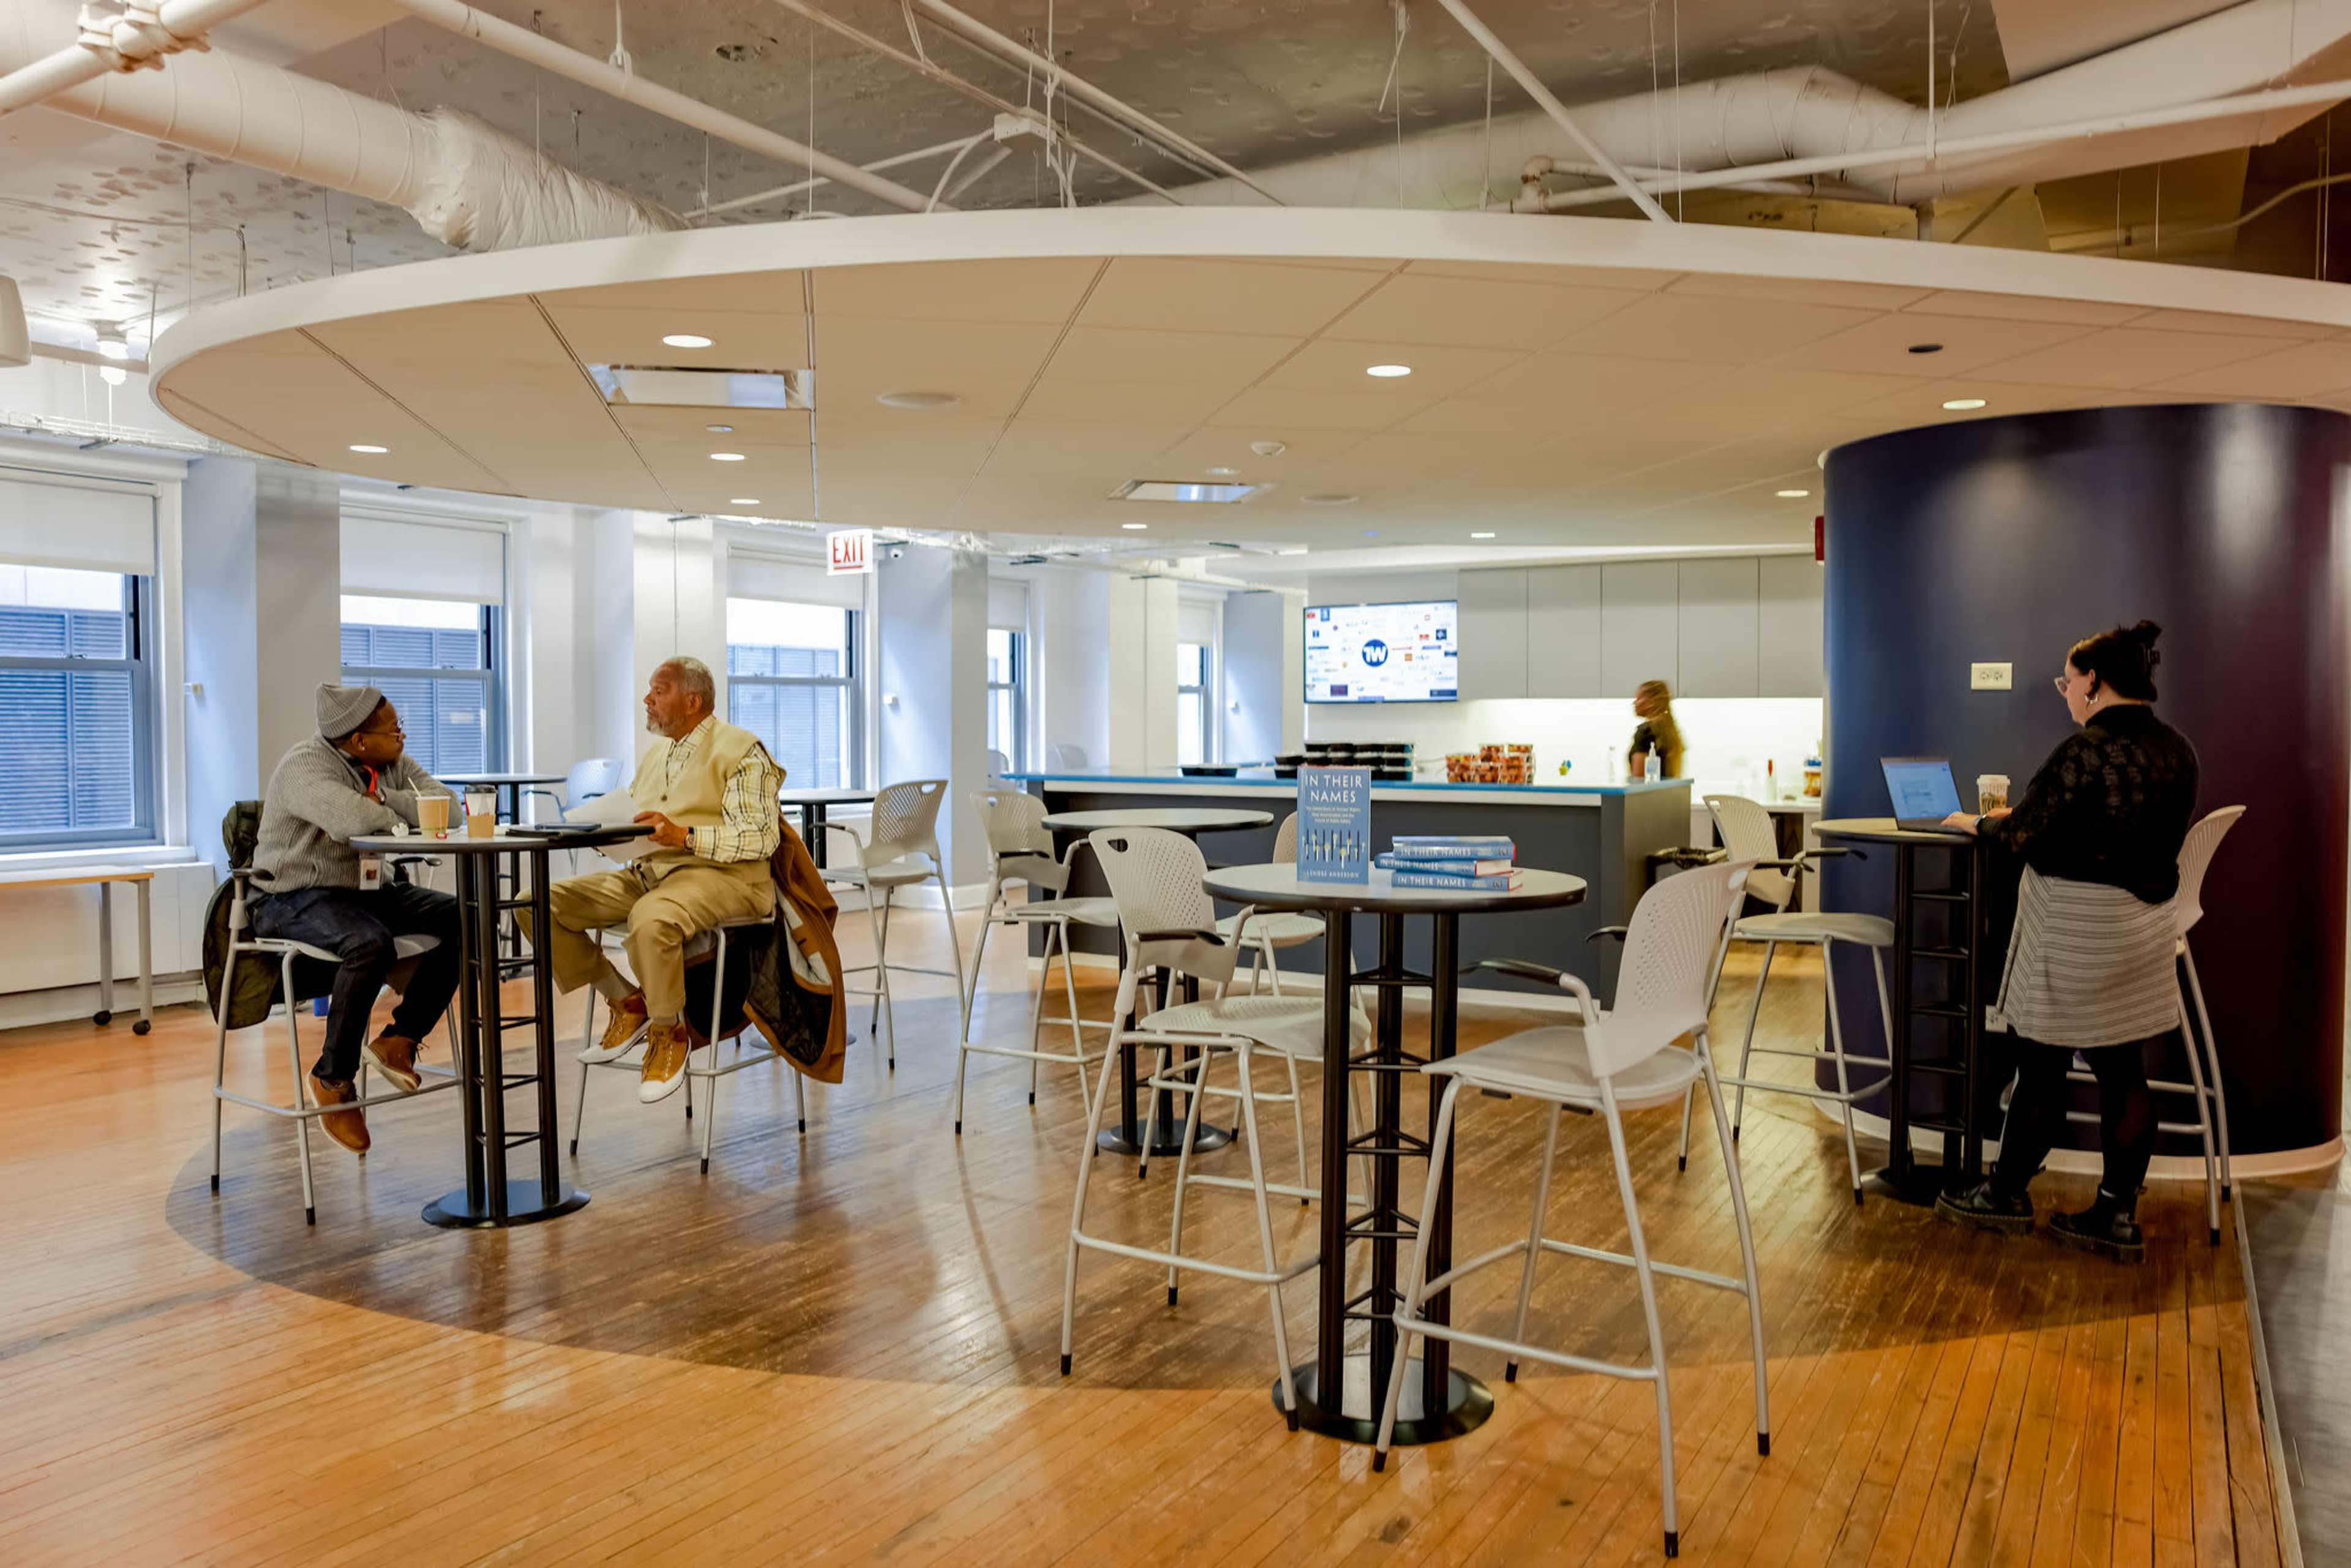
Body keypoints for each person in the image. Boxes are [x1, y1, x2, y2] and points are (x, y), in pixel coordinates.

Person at [1935, 621, 2199, 1262]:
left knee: (2042, 1064)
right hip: (2143, 932)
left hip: (2076, 930)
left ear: (2096, 682)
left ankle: (2005, 1193)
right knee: (2123, 1070)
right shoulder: (2179, 750)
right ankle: (2115, 1214)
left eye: (2068, 681)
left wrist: (1973, 821)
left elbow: (2022, 835)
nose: (2065, 693)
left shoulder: (2086, 750)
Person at [520, 658, 781, 1104]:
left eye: (659, 691)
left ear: (692, 700)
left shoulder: (742, 750)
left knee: (651, 918)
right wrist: (612, 836)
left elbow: (761, 837)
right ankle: (627, 1002)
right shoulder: (658, 752)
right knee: (534, 901)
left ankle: (669, 1031)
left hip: (727, 879)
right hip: (652, 874)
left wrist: (686, 836)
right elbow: (643, 821)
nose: (647, 699)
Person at [250, 685, 462, 1155]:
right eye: (393, 729)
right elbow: (351, 820)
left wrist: (383, 799)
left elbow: (449, 810)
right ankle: (333, 1078)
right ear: (359, 741)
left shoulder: (391, 763)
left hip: (365, 891)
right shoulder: (305, 765)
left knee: (462, 917)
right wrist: (398, 808)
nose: (402, 735)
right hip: (292, 895)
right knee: (370, 943)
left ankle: (399, 1039)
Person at [1626, 679, 1684, 780]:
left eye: (1639, 698)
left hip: (1648, 795)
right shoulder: (1670, 731)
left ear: (1652, 702)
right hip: (1669, 794)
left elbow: (1638, 779)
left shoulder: (1646, 731)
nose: (1635, 703)